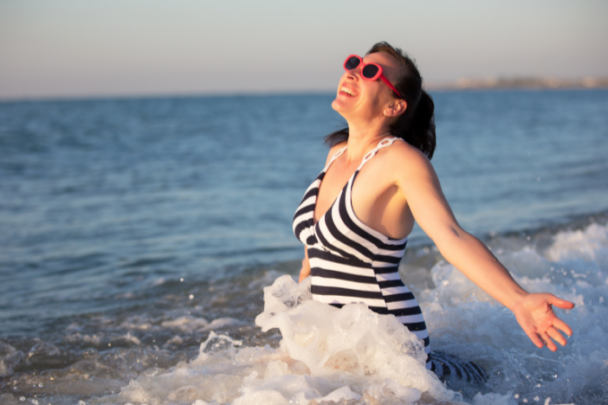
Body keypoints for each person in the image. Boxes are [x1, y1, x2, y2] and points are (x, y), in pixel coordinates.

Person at [292, 42, 574, 382]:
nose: (353, 72)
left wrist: (519, 300)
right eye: (354, 63)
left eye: (370, 72)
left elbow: (451, 236)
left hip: (387, 348)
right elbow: (316, 249)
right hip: (335, 346)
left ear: (395, 105)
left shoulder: (401, 160)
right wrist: (299, 319)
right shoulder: (336, 155)